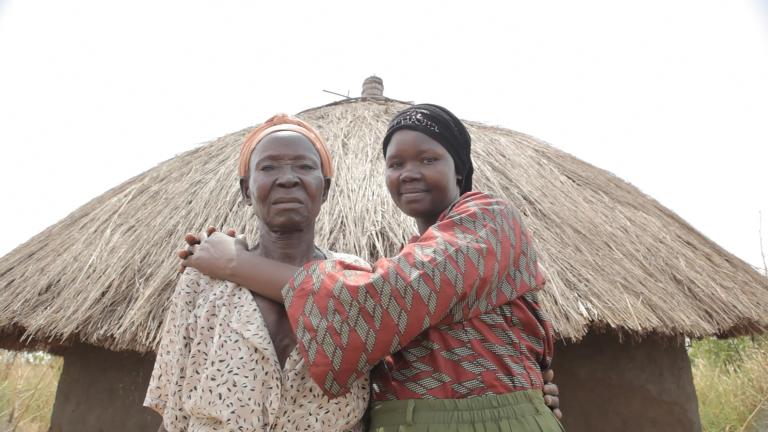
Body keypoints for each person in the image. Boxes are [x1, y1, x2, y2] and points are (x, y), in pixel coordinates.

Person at [183, 104, 564, 431]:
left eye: (428, 159)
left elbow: (377, 301)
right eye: (396, 163)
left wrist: (236, 263)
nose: (409, 173)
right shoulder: (398, 261)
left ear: (460, 170)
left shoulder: (490, 221)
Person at [145, 114, 370, 431]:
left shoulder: (355, 276)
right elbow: (172, 412)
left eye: (304, 166)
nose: (288, 178)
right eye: (269, 167)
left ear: (326, 189)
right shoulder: (202, 282)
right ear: (246, 190)